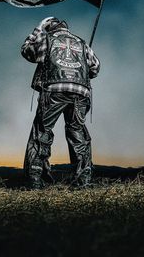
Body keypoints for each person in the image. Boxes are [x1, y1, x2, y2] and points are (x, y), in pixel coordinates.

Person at [21, 16, 100, 189]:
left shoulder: (48, 39)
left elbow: (27, 51)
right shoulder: (82, 43)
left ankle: (36, 180)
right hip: (80, 92)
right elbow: (95, 67)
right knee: (77, 133)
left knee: (42, 130)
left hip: (54, 89)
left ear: (50, 29)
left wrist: (39, 28)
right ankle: (83, 181)